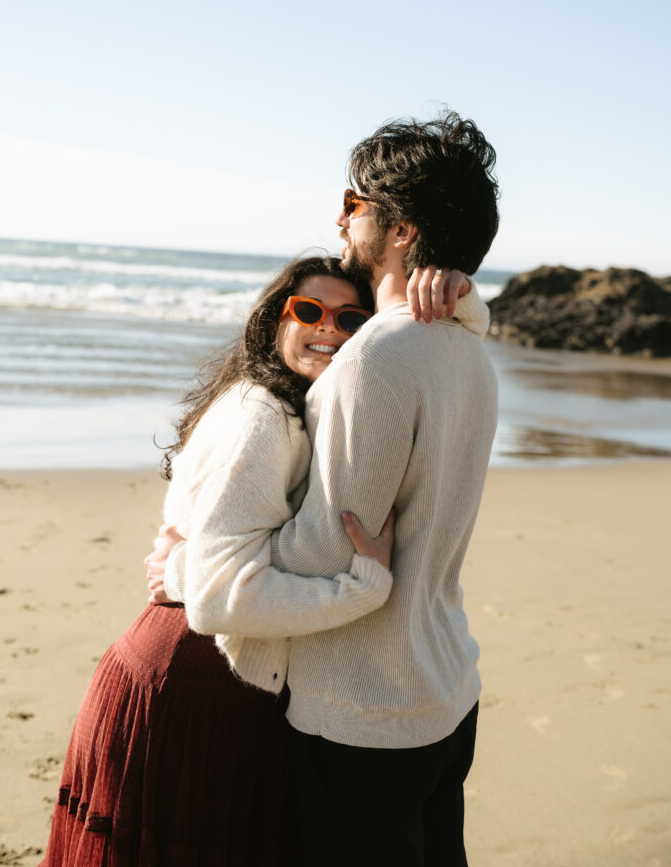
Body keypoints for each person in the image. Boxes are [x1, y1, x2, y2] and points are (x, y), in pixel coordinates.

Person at [41, 253, 487, 866]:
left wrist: (457, 296)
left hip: (222, 676)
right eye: (309, 311)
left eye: (350, 318)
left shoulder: (300, 408)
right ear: (273, 321)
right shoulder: (264, 419)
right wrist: (363, 586)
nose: (328, 328)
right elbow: (223, 594)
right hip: (192, 685)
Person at [160, 111, 499, 866]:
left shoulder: (374, 358)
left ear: (401, 230)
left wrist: (188, 563)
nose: (341, 221)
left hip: (367, 707)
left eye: (354, 205)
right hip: (446, 686)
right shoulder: (469, 348)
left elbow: (325, 549)